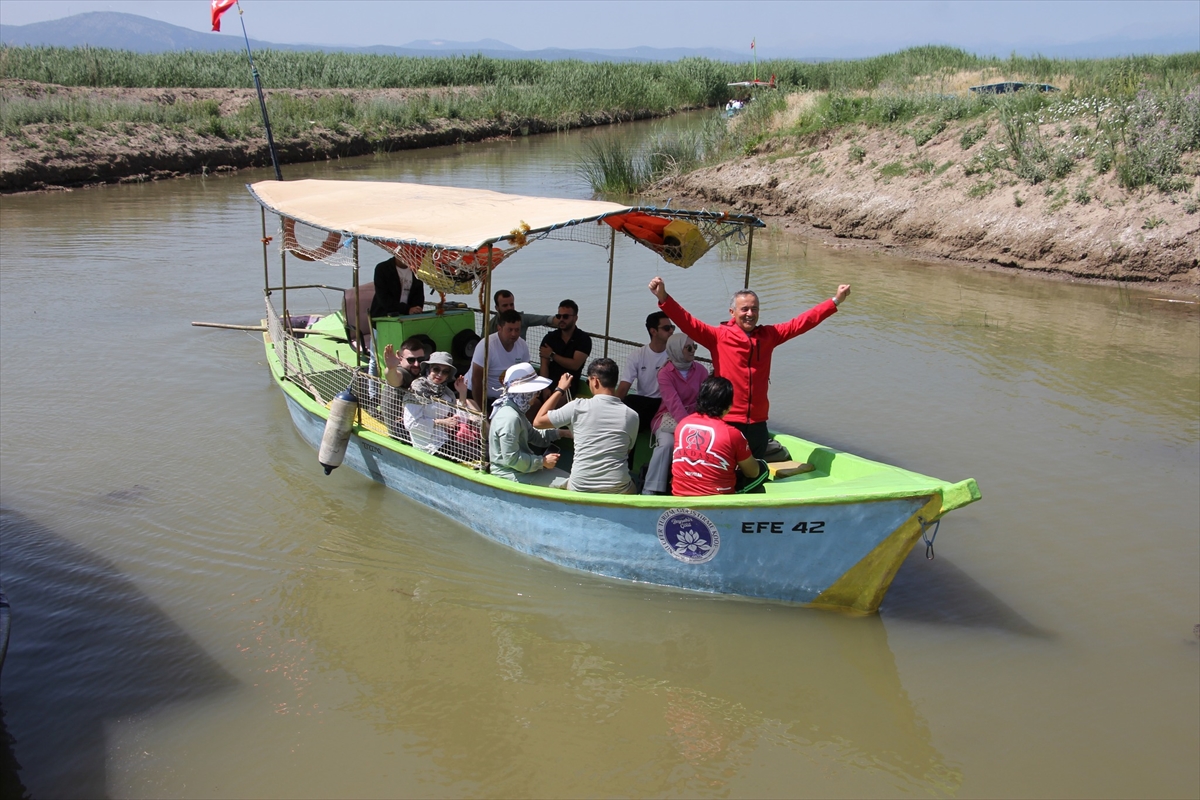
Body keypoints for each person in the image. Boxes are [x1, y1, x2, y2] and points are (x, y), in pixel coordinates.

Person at [648, 275, 851, 460]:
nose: (749, 314)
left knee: (755, 474)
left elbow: (802, 322)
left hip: (757, 421)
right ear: (732, 312)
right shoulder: (718, 337)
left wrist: (835, 301)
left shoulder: (769, 335)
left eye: (754, 309)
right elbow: (687, 322)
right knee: (726, 472)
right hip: (726, 420)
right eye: (744, 309)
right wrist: (664, 297)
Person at [534, 358, 639, 494]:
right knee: (633, 487)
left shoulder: (577, 406)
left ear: (595, 381)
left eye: (588, 380)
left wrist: (560, 389)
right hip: (618, 488)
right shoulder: (632, 415)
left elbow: (538, 422)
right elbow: (625, 451)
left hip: (580, 486)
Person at [671, 376, 767, 497]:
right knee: (763, 468)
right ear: (729, 405)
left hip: (680, 493)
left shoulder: (683, 424)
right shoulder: (733, 434)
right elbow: (753, 473)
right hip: (717, 497)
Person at [642, 333, 708, 495]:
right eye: (689, 347)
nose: (693, 351)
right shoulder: (665, 373)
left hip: (696, 418)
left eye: (695, 347)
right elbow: (673, 403)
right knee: (667, 444)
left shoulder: (701, 370)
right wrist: (689, 429)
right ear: (677, 349)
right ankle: (650, 488)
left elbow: (706, 400)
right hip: (667, 418)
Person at [488, 363, 571, 487]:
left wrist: (563, 433)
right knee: (569, 484)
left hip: (520, 469)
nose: (537, 395)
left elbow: (534, 435)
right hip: (509, 473)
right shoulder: (511, 418)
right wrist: (542, 462)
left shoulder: (514, 411)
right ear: (525, 394)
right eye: (535, 392)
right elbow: (512, 459)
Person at [402, 352, 476, 459]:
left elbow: (460, 421)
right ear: (428, 369)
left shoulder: (447, 393)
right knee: (478, 456)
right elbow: (411, 424)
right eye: (436, 369)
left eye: (445, 372)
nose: (440, 374)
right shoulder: (417, 389)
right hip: (428, 447)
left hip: (448, 440)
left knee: (485, 451)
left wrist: (462, 393)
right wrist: (441, 422)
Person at [616, 310, 674, 433]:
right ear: (653, 331)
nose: (671, 331)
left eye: (672, 327)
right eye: (666, 328)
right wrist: (607, 409)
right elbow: (624, 387)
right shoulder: (637, 355)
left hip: (665, 403)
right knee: (629, 401)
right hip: (644, 402)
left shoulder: (674, 355)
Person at [469, 309, 530, 410]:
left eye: (517, 330)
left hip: (508, 397)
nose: (514, 334)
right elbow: (476, 380)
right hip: (482, 396)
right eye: (510, 330)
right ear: (499, 328)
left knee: (535, 404)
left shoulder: (522, 345)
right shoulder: (487, 346)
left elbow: (526, 375)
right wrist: (481, 411)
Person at [538, 300, 591, 395]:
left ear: (575, 318)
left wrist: (552, 355)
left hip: (568, 386)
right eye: (559, 316)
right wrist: (544, 388)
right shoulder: (550, 338)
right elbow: (544, 365)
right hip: (547, 383)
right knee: (531, 405)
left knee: (555, 402)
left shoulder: (583, 339)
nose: (561, 319)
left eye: (565, 316)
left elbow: (575, 365)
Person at [380, 337, 428, 440]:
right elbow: (394, 380)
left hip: (416, 427)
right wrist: (391, 369)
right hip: (401, 433)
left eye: (420, 360)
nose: (416, 364)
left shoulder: (420, 373)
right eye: (411, 360)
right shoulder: (404, 372)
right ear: (400, 358)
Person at [487, 289, 556, 339]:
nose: (509, 308)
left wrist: (559, 319)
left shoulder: (522, 319)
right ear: (497, 308)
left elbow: (543, 319)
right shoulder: (489, 327)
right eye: (505, 305)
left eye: (511, 304)